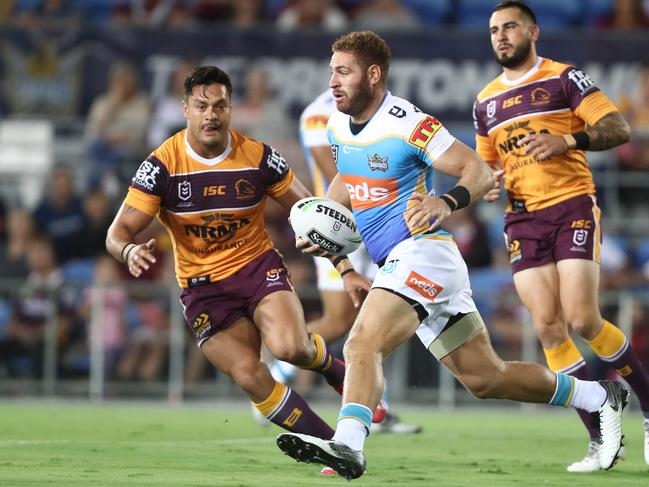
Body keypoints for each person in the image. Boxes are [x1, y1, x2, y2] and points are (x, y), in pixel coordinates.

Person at [275, 30, 628, 481]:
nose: (333, 82)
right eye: (332, 72)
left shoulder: (407, 122)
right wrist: (325, 224)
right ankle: (598, 397)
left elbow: (477, 170)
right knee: (486, 378)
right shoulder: (337, 125)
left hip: (423, 255)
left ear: (373, 74)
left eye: (343, 72)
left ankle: (348, 444)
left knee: (362, 341)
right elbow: (346, 182)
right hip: (402, 263)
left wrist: (446, 203)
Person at [106, 65, 368, 438]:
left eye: (219, 106)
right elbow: (116, 232)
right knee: (249, 374)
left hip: (255, 270)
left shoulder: (259, 157)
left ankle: (331, 369)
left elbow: (313, 216)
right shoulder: (162, 166)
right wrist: (128, 250)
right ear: (185, 109)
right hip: (202, 288)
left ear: (231, 109)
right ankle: (333, 444)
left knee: (290, 347)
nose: (211, 115)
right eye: (201, 106)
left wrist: (345, 269)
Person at [473, 1, 649, 472]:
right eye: (494, 30)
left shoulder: (564, 77)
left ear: (533, 30)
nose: (501, 35)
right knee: (548, 326)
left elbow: (618, 128)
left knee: (583, 318)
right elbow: (487, 166)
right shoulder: (484, 101)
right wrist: (487, 184)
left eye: (510, 26)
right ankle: (600, 436)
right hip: (522, 220)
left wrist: (568, 140)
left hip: (571, 204)